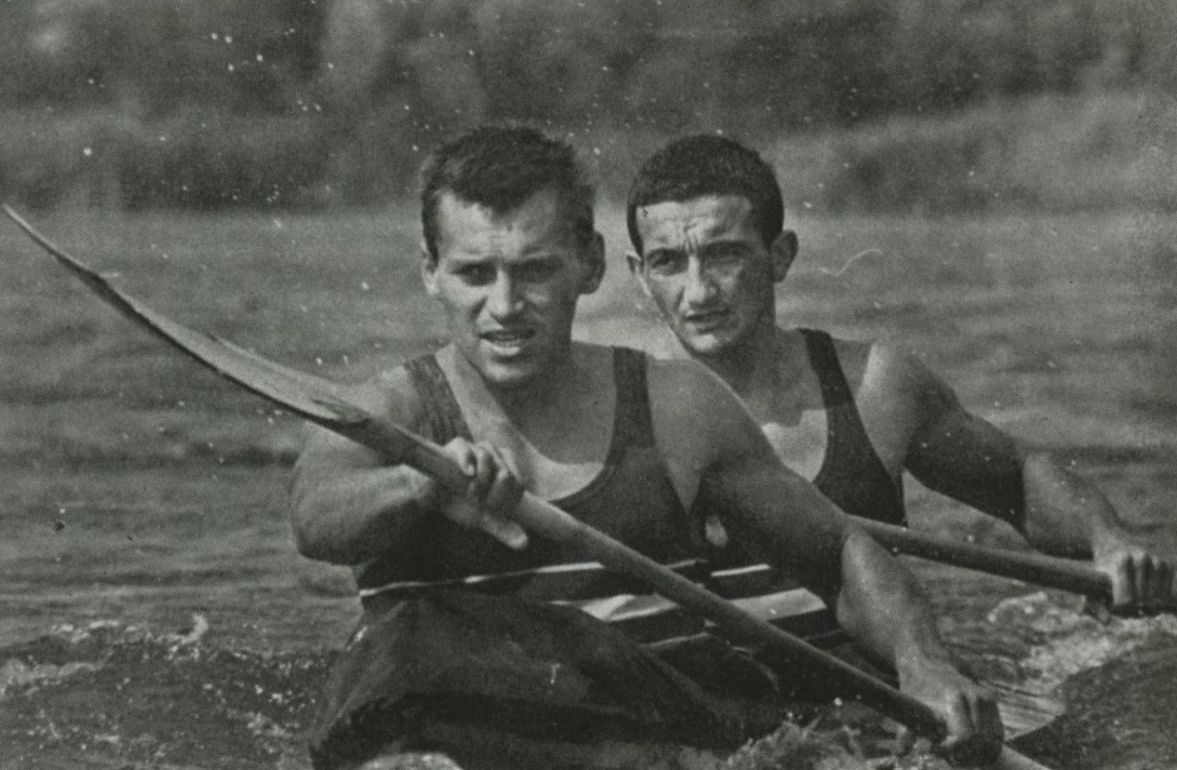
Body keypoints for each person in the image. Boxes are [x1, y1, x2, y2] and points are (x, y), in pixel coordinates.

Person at [290, 126, 1003, 770]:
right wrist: (418, 486)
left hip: (654, 727)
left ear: (590, 264)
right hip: (440, 719)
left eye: (535, 271)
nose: (504, 306)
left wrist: (923, 665)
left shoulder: (676, 406)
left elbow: (839, 554)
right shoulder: (384, 416)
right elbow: (316, 519)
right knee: (406, 643)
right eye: (475, 274)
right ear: (429, 271)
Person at [625, 134, 1177, 616]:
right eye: (668, 262)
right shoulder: (612, 410)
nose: (698, 292)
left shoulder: (874, 386)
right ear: (640, 277)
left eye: (724, 256)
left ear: (781, 257)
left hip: (881, 687)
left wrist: (1108, 541)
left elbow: (1018, 481)